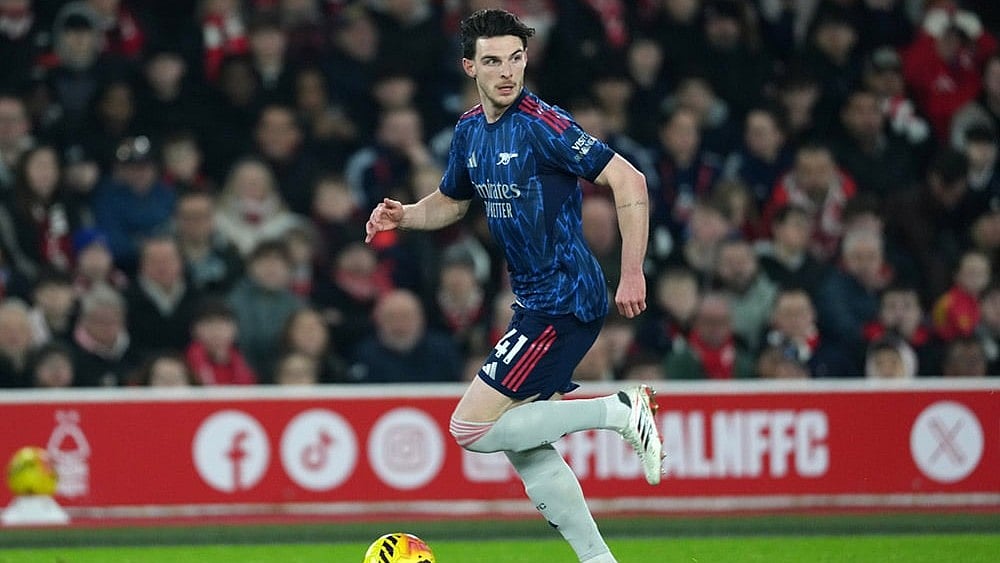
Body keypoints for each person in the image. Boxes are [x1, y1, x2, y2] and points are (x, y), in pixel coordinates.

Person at [363, 10, 660, 563]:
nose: (506, 71)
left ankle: (618, 410)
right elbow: (451, 202)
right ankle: (600, 561)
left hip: (564, 299)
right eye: (494, 60)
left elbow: (629, 178)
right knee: (526, 445)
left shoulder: (544, 125)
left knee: (470, 428)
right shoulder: (471, 130)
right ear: (469, 66)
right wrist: (404, 215)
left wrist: (633, 270)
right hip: (536, 303)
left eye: (516, 58)